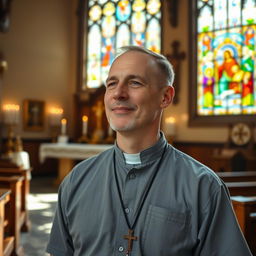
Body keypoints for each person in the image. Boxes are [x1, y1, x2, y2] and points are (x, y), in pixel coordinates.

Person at [46, 46, 252, 256]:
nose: (118, 93)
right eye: (111, 84)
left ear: (165, 97)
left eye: (135, 82)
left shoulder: (204, 187)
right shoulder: (76, 181)